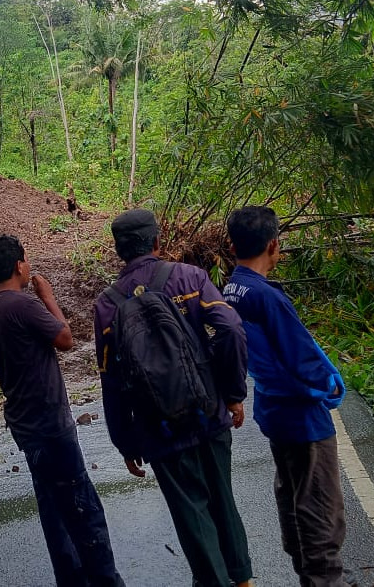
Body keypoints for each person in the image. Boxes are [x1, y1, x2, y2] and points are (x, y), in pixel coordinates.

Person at [94, 209, 253, 587]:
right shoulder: (189, 277)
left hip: (158, 429)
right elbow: (230, 327)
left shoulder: (107, 305)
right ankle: (244, 581)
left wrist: (124, 441)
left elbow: (111, 380)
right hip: (208, 411)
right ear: (158, 241)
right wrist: (232, 393)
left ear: (118, 251)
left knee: (191, 515)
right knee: (223, 502)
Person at [0, 233, 124, 587]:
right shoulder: (23, 304)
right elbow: (66, 339)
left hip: (24, 422)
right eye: (26, 260)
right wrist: (48, 298)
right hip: (49, 421)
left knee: (53, 509)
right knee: (82, 506)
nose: (28, 266)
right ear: (18, 265)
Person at [223, 206, 347, 587]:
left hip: (274, 408)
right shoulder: (267, 297)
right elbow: (301, 357)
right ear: (274, 245)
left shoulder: (232, 288)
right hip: (302, 414)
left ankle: (306, 572)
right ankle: (322, 580)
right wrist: (331, 386)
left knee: (292, 492)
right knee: (319, 505)